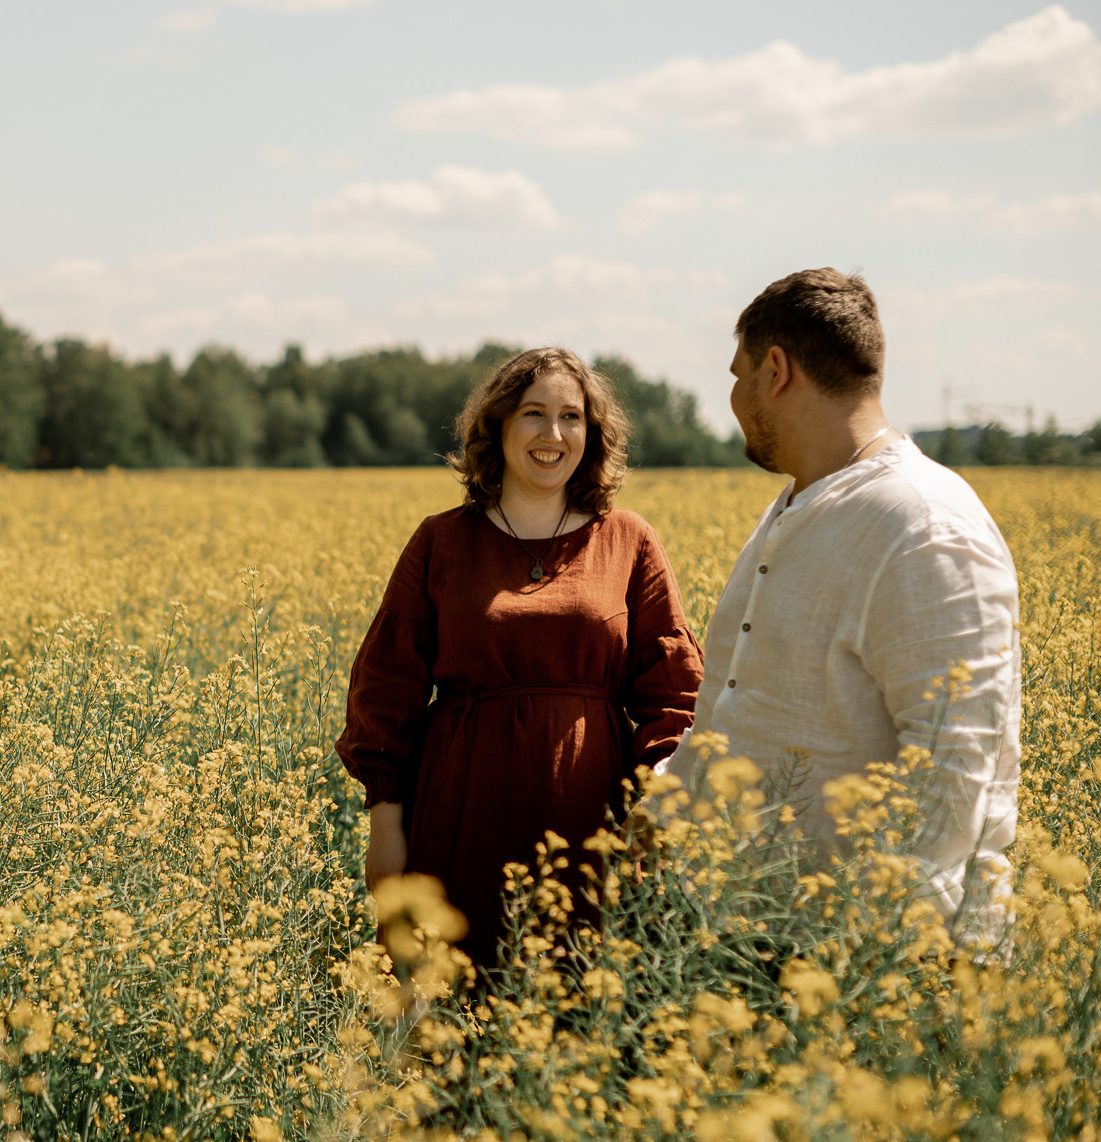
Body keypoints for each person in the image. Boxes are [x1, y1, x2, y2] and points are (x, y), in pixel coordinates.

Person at [662, 268, 1020, 949]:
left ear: (776, 370)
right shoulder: (799, 504)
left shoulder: (923, 522)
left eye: (738, 376)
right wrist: (661, 810)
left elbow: (955, 773)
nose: (732, 399)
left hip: (860, 954)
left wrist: (862, 959)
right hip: (750, 935)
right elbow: (736, 708)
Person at [336, 348, 704, 982]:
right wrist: (385, 828)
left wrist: (659, 807)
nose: (552, 433)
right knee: (449, 1008)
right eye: (533, 413)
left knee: (581, 1009)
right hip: (459, 814)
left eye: (571, 417)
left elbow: (673, 692)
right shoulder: (440, 541)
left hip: (592, 824)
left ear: (591, 434)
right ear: (499, 426)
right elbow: (386, 690)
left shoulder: (629, 539)